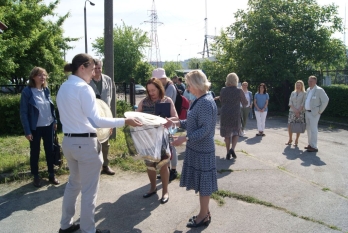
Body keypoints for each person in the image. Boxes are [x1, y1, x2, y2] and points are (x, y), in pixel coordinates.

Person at [56, 53, 142, 233]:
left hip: (69, 142)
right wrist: (124, 121)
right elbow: (96, 121)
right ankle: (88, 230)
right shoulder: (84, 88)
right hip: (85, 145)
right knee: (88, 191)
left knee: (73, 184)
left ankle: (65, 225)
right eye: (92, 68)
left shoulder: (63, 87)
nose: (95, 72)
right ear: (82, 68)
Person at [167, 70, 217, 228]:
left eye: (189, 85)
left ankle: (202, 216)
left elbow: (205, 130)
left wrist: (185, 138)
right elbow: (192, 122)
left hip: (203, 150)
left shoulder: (205, 102)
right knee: (202, 184)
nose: (187, 88)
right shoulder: (200, 99)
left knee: (204, 185)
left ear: (197, 84)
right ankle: (205, 213)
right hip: (197, 149)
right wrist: (176, 123)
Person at [137, 77, 178, 204]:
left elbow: (176, 117)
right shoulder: (143, 102)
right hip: (148, 139)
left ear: (159, 88)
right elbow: (136, 117)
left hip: (162, 139)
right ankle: (152, 188)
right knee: (150, 165)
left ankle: (165, 191)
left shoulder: (167, 100)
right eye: (149, 91)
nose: (151, 93)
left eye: (153, 90)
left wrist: (166, 120)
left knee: (164, 165)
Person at [20, 67, 59, 187]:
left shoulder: (46, 89)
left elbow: (51, 107)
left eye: (44, 75)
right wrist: (27, 131)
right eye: (39, 75)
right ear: (33, 77)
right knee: (35, 152)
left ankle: (51, 174)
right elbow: (23, 113)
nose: (43, 77)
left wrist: (55, 121)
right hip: (35, 128)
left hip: (49, 126)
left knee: (50, 150)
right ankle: (36, 176)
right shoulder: (27, 92)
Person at [88, 59, 115, 175]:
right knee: (92, 142)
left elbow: (110, 99)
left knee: (105, 143)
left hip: (105, 116)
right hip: (91, 116)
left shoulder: (108, 80)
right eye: (95, 68)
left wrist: (110, 117)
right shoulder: (87, 81)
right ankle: (93, 167)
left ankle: (105, 165)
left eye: (100, 68)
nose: (98, 71)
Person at [152, 68, 178, 181]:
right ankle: (166, 170)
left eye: (157, 80)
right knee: (165, 148)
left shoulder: (170, 88)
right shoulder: (166, 86)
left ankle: (173, 170)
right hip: (163, 122)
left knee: (171, 147)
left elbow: (164, 102)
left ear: (163, 78)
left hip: (169, 121)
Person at [218, 73, 248, 159]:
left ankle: (227, 151)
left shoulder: (223, 90)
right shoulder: (239, 91)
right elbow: (245, 103)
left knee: (227, 134)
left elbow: (221, 100)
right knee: (236, 132)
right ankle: (233, 148)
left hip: (225, 114)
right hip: (235, 113)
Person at [304, 76, 329, 152]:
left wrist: (320, 111)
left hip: (314, 113)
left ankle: (314, 146)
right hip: (307, 112)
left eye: (311, 81)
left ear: (315, 82)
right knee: (308, 129)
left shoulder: (319, 90)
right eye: (309, 81)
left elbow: (326, 100)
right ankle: (310, 144)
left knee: (313, 130)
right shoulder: (308, 90)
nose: (309, 82)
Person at [286, 80, 306, 146]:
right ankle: (290, 139)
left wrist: (298, 111)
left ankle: (297, 140)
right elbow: (290, 102)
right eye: (297, 85)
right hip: (292, 111)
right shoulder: (293, 93)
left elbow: (303, 103)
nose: (298, 86)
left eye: (299, 85)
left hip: (300, 112)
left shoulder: (304, 93)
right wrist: (295, 110)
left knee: (298, 126)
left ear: (301, 86)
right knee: (290, 125)